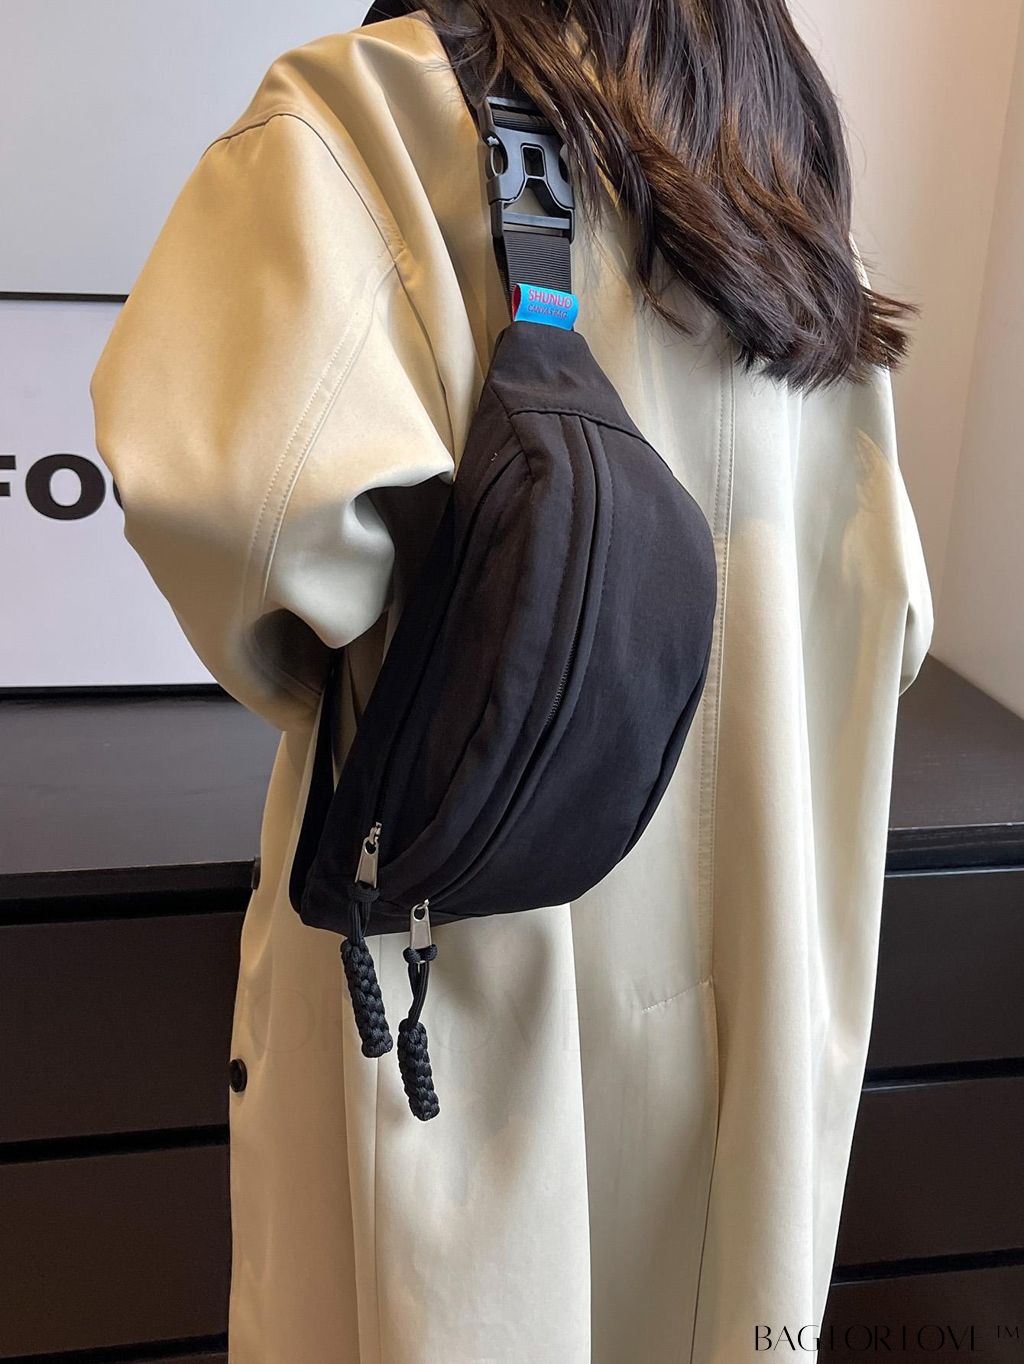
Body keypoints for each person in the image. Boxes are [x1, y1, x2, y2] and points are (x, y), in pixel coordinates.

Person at [89, 2, 934, 1360]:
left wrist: (383, 676)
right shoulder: (775, 172)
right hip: (773, 942)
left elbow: (239, 522)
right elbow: (891, 618)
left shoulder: (368, 112)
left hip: (472, 944)